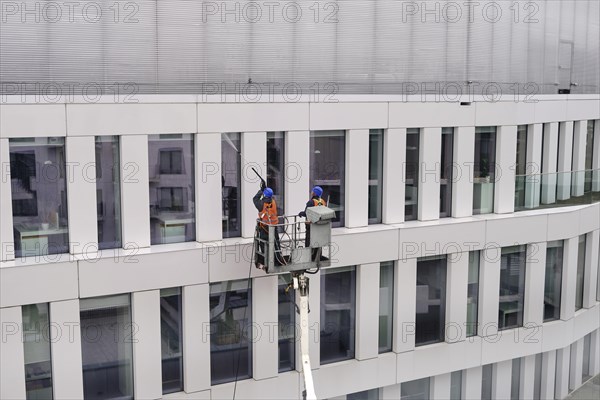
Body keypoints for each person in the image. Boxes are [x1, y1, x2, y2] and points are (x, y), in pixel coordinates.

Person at [253, 185, 279, 270]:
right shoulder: (274, 201)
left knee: (264, 244)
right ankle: (277, 259)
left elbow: (255, 199)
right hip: (274, 227)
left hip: (264, 228)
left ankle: (267, 260)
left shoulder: (261, 204)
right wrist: (265, 190)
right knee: (276, 244)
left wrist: (261, 190)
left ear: (264, 195)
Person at [298, 186, 327, 251]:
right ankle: (317, 257)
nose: (311, 192)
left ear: (314, 193)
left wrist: (301, 213)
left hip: (311, 226)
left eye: (312, 191)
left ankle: (309, 256)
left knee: (309, 242)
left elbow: (307, 213)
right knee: (318, 243)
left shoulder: (311, 202)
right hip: (319, 226)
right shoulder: (323, 202)